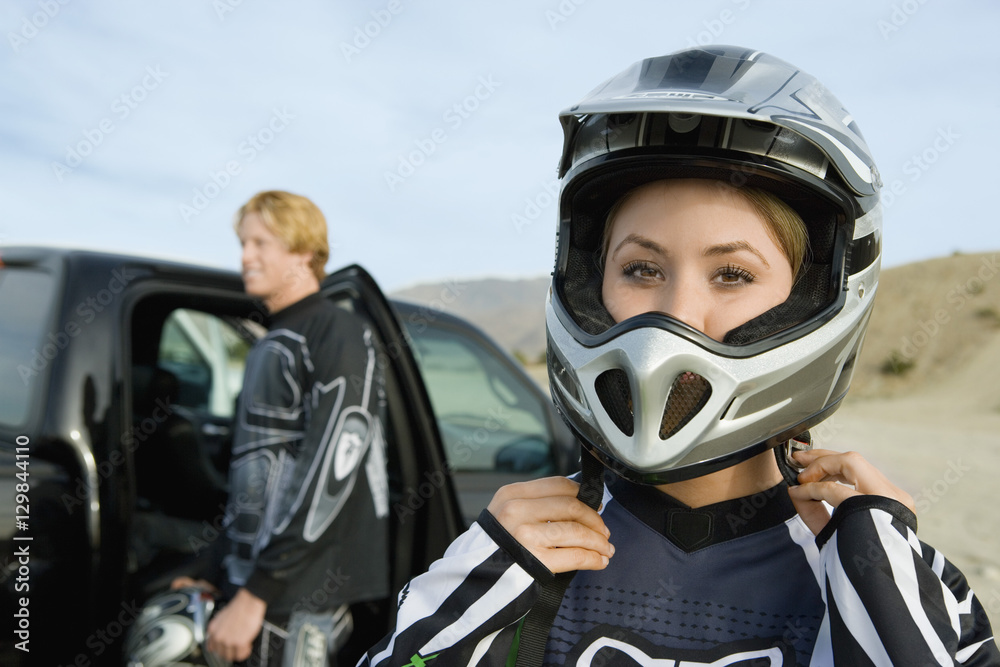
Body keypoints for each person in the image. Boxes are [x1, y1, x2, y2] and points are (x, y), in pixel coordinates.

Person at [358, 46, 999, 665]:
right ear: (588, 286)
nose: (675, 315)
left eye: (732, 275)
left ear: (810, 301)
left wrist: (887, 586)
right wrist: (462, 606)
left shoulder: (874, 570)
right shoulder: (514, 558)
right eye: (641, 268)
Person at [172, 190, 391, 666]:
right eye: (243, 243)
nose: (244, 257)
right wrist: (216, 567)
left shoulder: (337, 331)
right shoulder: (270, 343)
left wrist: (257, 594)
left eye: (260, 243)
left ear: (304, 250)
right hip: (258, 583)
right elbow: (254, 473)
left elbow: (333, 470)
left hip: (303, 595)